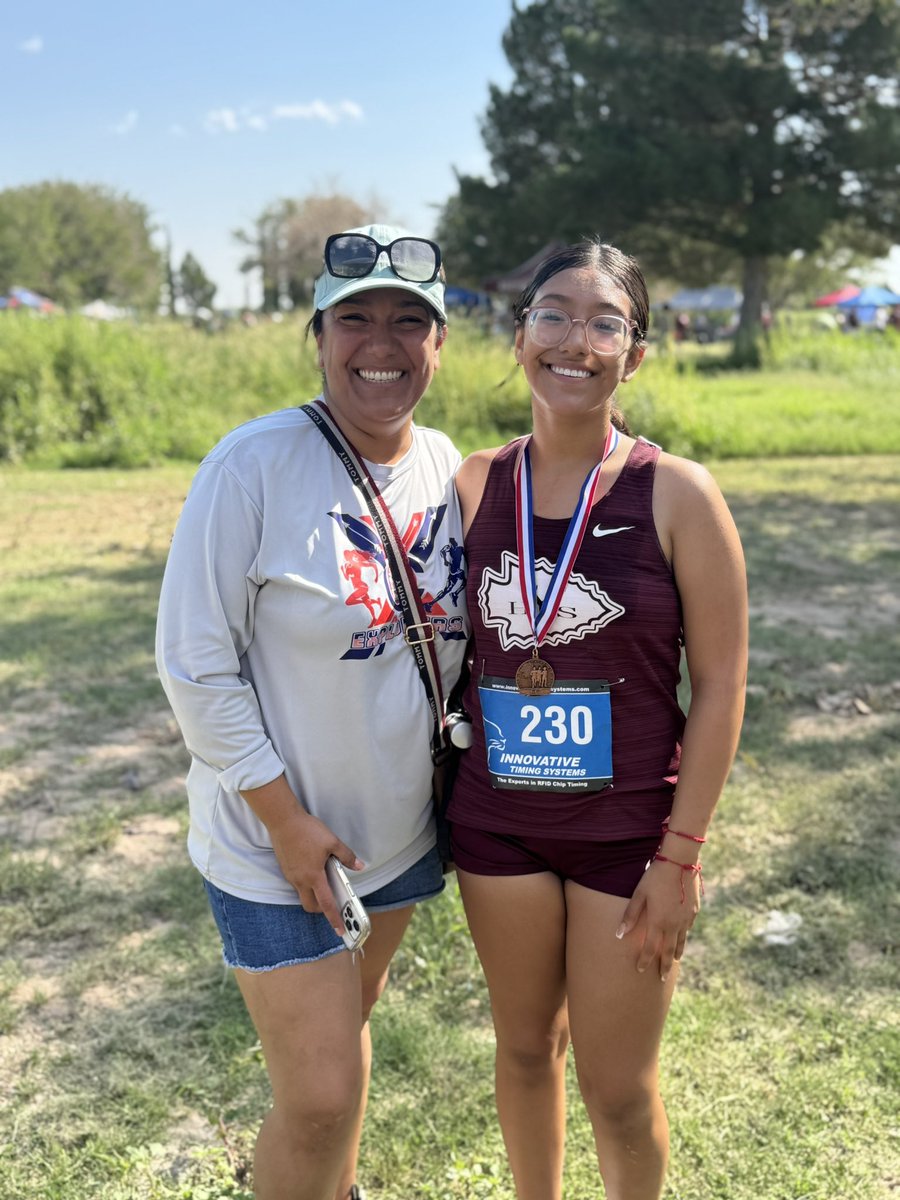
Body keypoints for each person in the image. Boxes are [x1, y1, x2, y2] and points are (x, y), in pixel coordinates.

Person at [156, 224, 470, 1200]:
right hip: (276, 853)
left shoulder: (445, 464)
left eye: (408, 321)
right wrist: (287, 827)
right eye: (357, 320)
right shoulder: (252, 465)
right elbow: (195, 667)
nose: (382, 343)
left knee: (338, 1046)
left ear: (439, 343)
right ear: (320, 338)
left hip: (399, 837)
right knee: (325, 1093)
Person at [448, 238, 748, 1200]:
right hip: (498, 826)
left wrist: (681, 855)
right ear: (520, 332)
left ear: (637, 353)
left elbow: (724, 683)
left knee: (618, 1090)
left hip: (629, 840)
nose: (576, 339)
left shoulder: (679, 493)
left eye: (605, 321)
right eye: (554, 315)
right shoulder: (471, 484)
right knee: (526, 1050)